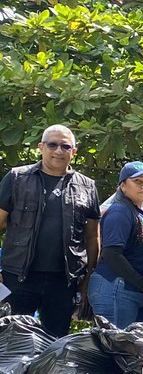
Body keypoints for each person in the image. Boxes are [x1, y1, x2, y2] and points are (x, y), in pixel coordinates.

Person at [0, 125, 100, 336]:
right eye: (52, 145)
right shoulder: (17, 178)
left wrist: (88, 278)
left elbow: (92, 236)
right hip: (18, 277)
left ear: (74, 151)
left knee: (54, 344)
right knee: (11, 341)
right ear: (41, 147)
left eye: (65, 146)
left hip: (63, 282)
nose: (58, 151)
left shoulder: (87, 186)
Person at [88, 162, 143, 328]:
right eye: (138, 181)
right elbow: (112, 254)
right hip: (115, 287)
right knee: (113, 348)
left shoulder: (139, 211)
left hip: (130, 291)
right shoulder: (120, 211)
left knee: (131, 350)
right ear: (123, 186)